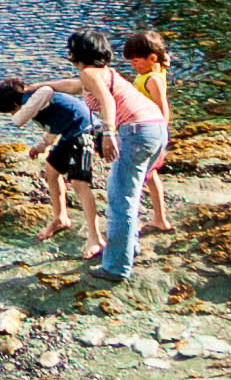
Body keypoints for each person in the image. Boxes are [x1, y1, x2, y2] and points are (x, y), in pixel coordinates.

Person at [71, 29, 166, 281]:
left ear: (77, 53)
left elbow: (107, 102)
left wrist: (108, 132)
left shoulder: (89, 72)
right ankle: (129, 248)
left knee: (119, 199)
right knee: (129, 195)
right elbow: (71, 87)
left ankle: (116, 268)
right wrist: (34, 88)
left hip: (136, 131)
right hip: (155, 127)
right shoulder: (104, 72)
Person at [0, 76, 102, 252]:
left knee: (79, 183)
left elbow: (46, 91)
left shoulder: (35, 96)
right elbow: (53, 127)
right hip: (69, 133)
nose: (14, 116)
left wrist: (18, 117)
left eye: (12, 112)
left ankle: (95, 237)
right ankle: (60, 218)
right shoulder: (35, 105)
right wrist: (41, 146)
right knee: (51, 172)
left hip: (85, 131)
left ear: (15, 105)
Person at [124, 30, 176, 233]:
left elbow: (163, 109)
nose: (133, 65)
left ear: (151, 58)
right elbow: (166, 60)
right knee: (151, 176)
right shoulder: (159, 68)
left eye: (136, 61)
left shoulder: (151, 80)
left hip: (149, 134)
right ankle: (160, 218)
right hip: (146, 131)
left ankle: (143, 218)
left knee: (139, 177)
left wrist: (161, 138)